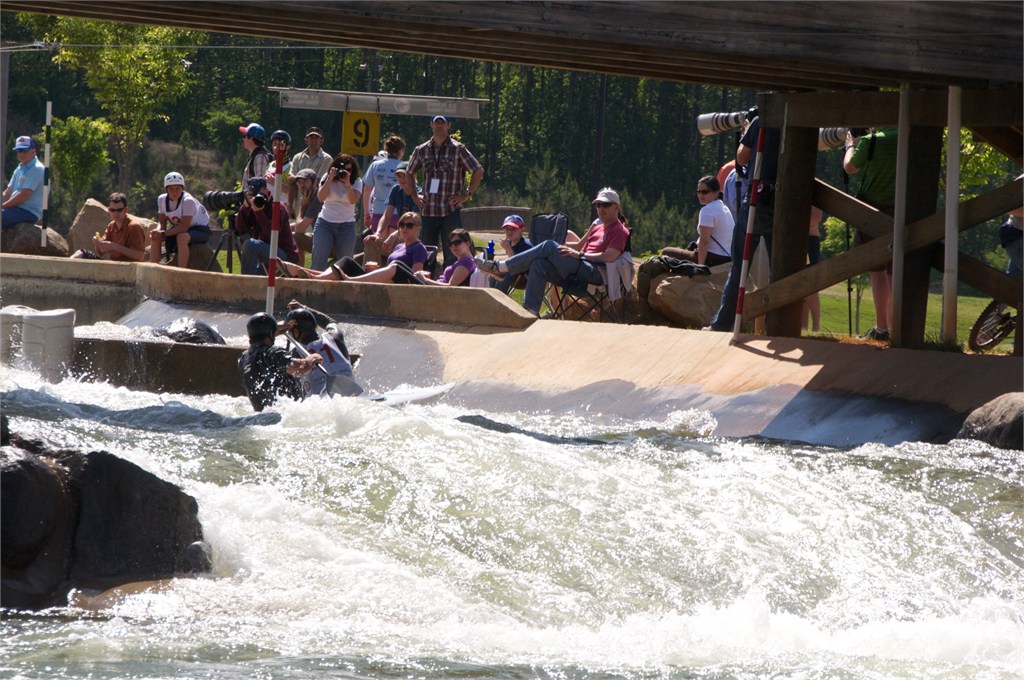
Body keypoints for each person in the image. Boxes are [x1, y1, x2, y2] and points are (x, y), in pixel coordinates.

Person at [475, 188, 629, 316]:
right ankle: (530, 311)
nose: (601, 209)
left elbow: (610, 256)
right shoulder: (596, 227)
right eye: (598, 205)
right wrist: (563, 249)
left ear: (616, 207)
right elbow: (579, 248)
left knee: (548, 245)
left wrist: (579, 255)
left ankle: (501, 267)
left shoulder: (619, 230)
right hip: (580, 268)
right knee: (539, 264)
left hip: (596, 275)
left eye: (605, 205)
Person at [705, 115, 780, 332]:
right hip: (783, 203)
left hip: (757, 201)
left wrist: (746, 134)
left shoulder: (761, 121)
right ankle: (776, 324)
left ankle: (722, 323)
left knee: (739, 266)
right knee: (779, 267)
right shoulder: (792, 122)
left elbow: (741, 157)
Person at [401, 115, 484, 267]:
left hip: (450, 211)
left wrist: (467, 194)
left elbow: (478, 170)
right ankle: (425, 280)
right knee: (426, 255)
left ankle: (451, 280)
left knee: (453, 254)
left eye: (442, 123)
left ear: (449, 126)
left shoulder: (458, 149)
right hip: (428, 210)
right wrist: (414, 195)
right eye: (436, 123)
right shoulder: (421, 150)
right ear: (431, 125)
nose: (439, 126)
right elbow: (409, 172)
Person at [636, 175, 734, 304]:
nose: (701, 195)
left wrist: (700, 266)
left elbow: (705, 241)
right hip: (727, 257)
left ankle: (647, 298)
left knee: (666, 252)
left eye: (705, 192)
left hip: (712, 258)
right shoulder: (724, 208)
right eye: (698, 191)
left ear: (716, 192)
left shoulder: (707, 210)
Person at [844, 127, 898, 341]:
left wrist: (850, 146)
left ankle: (882, 328)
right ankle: (896, 328)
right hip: (899, 210)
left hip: (872, 212)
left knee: (877, 271)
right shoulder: (908, 138)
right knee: (894, 271)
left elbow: (849, 167)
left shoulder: (870, 140)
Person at [280, 211, 429, 286]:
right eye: (402, 225)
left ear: (418, 228)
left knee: (395, 266)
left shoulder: (419, 248)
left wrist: (386, 275)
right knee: (347, 261)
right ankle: (302, 271)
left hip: (401, 284)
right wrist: (378, 271)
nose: (404, 228)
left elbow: (415, 275)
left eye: (409, 225)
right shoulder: (399, 246)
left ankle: (342, 279)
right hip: (387, 279)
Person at [238, 312, 321, 412]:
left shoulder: (243, 358)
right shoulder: (273, 352)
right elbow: (300, 369)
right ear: (271, 333)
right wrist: (311, 359)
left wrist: (276, 329)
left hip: (261, 415)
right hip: (286, 414)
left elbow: (261, 336)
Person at [282, 302, 362, 398]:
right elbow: (330, 321)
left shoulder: (296, 354)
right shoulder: (335, 337)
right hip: (350, 394)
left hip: (321, 403)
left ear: (295, 332)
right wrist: (305, 308)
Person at [236, 177, 299, 275]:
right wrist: (244, 207)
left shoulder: (277, 207)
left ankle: (246, 281)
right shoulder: (253, 205)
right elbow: (240, 227)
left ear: (266, 190)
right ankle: (248, 281)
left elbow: (273, 235)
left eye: (257, 193)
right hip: (268, 254)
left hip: (285, 255)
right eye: (251, 194)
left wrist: (258, 212)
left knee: (250, 244)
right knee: (257, 277)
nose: (254, 197)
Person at [149, 172, 212, 269]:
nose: (175, 192)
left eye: (178, 188)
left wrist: (163, 233)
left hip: (200, 229)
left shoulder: (188, 201)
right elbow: (162, 223)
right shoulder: (161, 199)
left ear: (182, 188)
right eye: (171, 189)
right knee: (155, 237)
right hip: (180, 228)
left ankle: (181, 271)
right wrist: (157, 230)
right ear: (166, 189)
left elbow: (183, 228)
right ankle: (153, 268)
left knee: (182, 237)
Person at [364, 161, 421, 267]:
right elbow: (386, 216)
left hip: (413, 237)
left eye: (404, 176)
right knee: (371, 241)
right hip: (400, 233)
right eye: (399, 176)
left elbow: (414, 222)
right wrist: (377, 233)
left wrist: (393, 235)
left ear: (413, 176)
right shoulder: (396, 190)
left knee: (397, 241)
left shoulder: (419, 194)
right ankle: (371, 272)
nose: (401, 179)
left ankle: (390, 272)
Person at [311, 154, 363, 270]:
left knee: (345, 263)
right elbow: (321, 197)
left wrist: (348, 184)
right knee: (318, 260)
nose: (344, 173)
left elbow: (353, 200)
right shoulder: (327, 177)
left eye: (349, 170)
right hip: (325, 223)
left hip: (347, 225)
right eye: (342, 170)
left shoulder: (357, 181)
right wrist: (330, 179)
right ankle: (315, 280)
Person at [71, 192, 146, 262]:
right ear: (109, 210)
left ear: (126, 210)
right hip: (112, 265)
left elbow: (140, 256)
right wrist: (97, 245)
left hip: (128, 267)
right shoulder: (111, 226)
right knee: (81, 253)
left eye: (119, 210)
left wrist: (115, 247)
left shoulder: (134, 227)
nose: (116, 213)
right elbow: (101, 253)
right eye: (113, 210)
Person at [361, 135, 405, 235]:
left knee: (379, 242)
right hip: (398, 212)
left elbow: (367, 191)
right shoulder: (404, 166)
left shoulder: (375, 165)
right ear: (401, 150)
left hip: (379, 210)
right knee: (395, 244)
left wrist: (367, 214)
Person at [288, 126, 333, 217]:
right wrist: (289, 204)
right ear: (306, 140)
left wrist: (298, 179)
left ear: (321, 141)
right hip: (297, 205)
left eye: (317, 137)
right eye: (311, 137)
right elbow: (290, 179)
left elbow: (319, 181)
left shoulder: (327, 159)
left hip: (316, 205)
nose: (313, 140)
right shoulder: (297, 157)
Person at [2, 135, 45, 230]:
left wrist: (3, 206)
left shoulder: (37, 169)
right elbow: (8, 192)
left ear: (33, 151)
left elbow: (23, 195)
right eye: (19, 151)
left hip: (29, 212)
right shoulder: (19, 168)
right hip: (15, 209)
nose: (21, 154)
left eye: (24, 150)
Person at [491, 214, 533, 294]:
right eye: (507, 229)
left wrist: (508, 249)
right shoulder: (510, 242)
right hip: (514, 276)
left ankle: (498, 297)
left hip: (524, 278)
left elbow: (516, 265)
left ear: (522, 229)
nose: (509, 232)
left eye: (513, 229)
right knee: (492, 270)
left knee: (504, 272)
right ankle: (491, 296)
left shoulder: (526, 245)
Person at [290, 168, 323, 262]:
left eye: (305, 181)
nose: (301, 185)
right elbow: (299, 225)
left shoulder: (318, 199)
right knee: (286, 229)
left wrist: (302, 206)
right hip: (321, 238)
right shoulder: (310, 197)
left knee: (293, 236)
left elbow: (299, 228)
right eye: (299, 182)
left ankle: (297, 268)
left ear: (315, 182)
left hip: (327, 243)